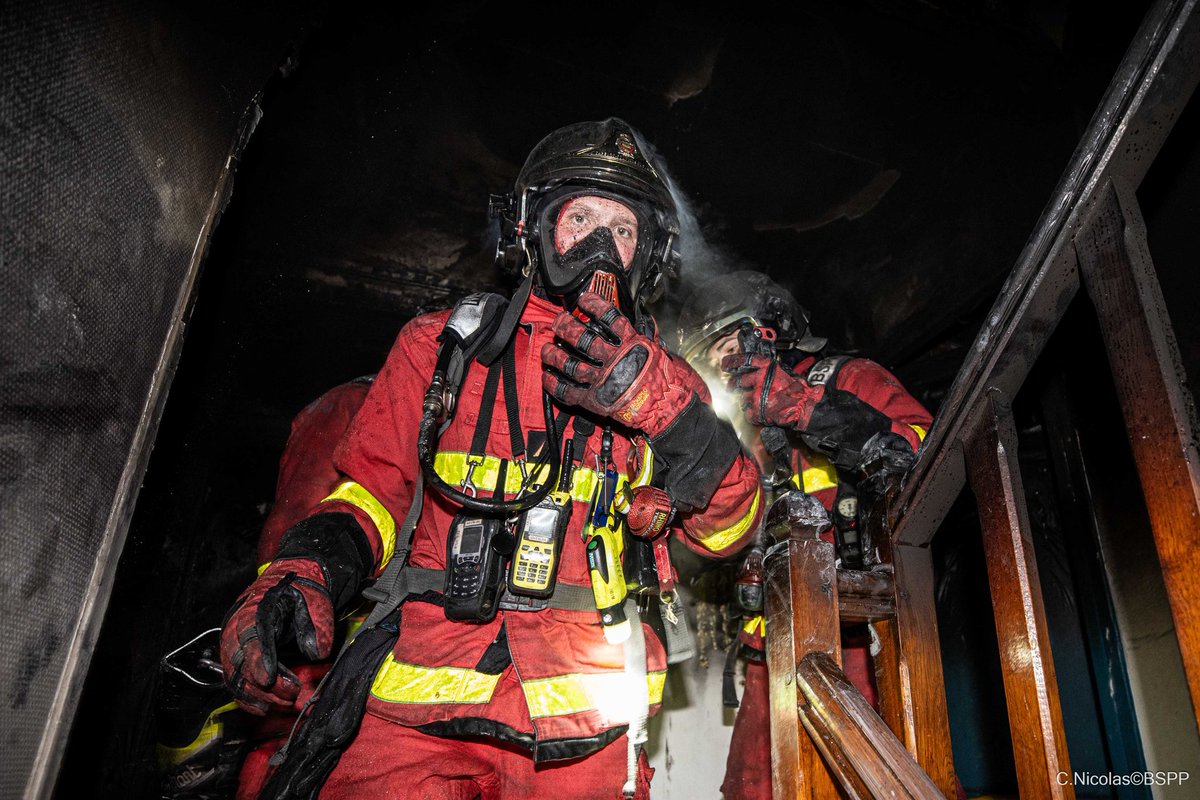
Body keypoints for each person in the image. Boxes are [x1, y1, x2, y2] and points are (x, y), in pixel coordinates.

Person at [218, 118, 764, 800]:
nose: (601, 244)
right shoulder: (441, 349)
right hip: (415, 723)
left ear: (646, 254)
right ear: (534, 230)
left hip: (585, 738)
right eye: (582, 217)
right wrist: (305, 572)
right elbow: (372, 494)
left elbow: (728, 529)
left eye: (623, 229)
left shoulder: (668, 381)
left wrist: (666, 411)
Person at [676, 270, 932, 800]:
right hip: (771, 641)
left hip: (859, 630)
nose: (725, 370)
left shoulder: (848, 378)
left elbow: (925, 454)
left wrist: (807, 410)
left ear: (771, 333)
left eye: (732, 348)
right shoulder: (736, 431)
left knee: (861, 780)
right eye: (713, 358)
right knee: (756, 786)